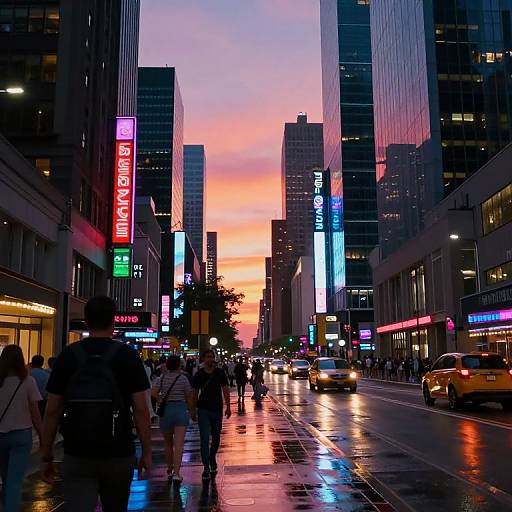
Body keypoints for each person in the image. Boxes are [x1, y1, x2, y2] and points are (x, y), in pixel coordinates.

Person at [41, 296, 152, 512]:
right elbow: (140, 409)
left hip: (77, 451)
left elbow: (52, 410)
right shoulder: (127, 356)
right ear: (114, 321)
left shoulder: (68, 356)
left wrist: (47, 455)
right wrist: (146, 452)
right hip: (118, 452)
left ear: (86, 320)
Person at [0, 345, 43, 512]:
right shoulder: (27, 381)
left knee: (5, 476)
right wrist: (42, 436)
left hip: (1, 435)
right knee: (15, 479)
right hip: (21, 434)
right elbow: (35, 413)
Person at [152, 356, 196, 483]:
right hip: (180, 410)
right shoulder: (183, 379)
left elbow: (153, 392)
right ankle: (177, 473)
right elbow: (189, 397)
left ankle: (169, 469)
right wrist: (192, 411)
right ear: (179, 366)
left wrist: (161, 399)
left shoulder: (163, 378)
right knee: (179, 444)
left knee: (167, 443)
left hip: (166, 412)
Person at [192, 349, 231, 481]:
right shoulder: (199, 375)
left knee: (216, 437)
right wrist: (192, 409)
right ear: (203, 359)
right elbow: (194, 392)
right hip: (203, 409)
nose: (210, 359)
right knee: (204, 438)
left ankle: (212, 456)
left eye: (211, 357)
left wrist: (229, 406)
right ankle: (206, 467)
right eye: (207, 357)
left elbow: (225, 389)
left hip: (217, 409)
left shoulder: (220, 373)